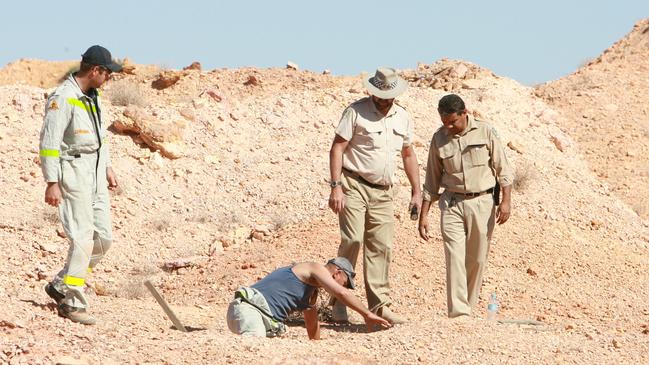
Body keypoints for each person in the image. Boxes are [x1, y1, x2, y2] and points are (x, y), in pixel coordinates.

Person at [328, 67, 422, 324]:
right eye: (379, 95)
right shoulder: (355, 111)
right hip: (353, 184)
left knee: (381, 246)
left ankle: (380, 306)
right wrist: (335, 186)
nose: (382, 100)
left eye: (387, 96)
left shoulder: (402, 117)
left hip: (383, 192)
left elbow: (408, 154)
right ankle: (338, 300)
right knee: (353, 239)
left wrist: (417, 191)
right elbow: (337, 148)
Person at [39, 45, 122, 325]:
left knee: (104, 239)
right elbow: (49, 144)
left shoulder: (92, 97)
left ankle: (61, 284)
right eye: (107, 73)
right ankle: (72, 302)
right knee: (83, 238)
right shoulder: (63, 97)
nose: (109, 78)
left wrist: (108, 167)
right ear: (96, 70)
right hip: (73, 171)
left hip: (95, 172)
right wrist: (52, 182)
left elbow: (100, 138)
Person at [418, 94, 514, 318]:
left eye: (454, 122)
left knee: (477, 259)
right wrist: (424, 215)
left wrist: (506, 201)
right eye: (445, 123)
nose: (449, 127)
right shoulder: (439, 138)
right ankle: (459, 312)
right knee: (454, 257)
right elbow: (431, 180)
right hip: (452, 203)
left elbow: (503, 169)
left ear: (464, 113)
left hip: (482, 202)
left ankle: (468, 309)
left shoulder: (485, 131)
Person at [226, 257, 391, 339]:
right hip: (249, 309)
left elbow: (312, 323)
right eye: (345, 283)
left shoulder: (311, 291)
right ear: (338, 273)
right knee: (253, 348)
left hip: (261, 319)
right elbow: (342, 293)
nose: (344, 287)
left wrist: (316, 350)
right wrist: (367, 314)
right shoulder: (314, 267)